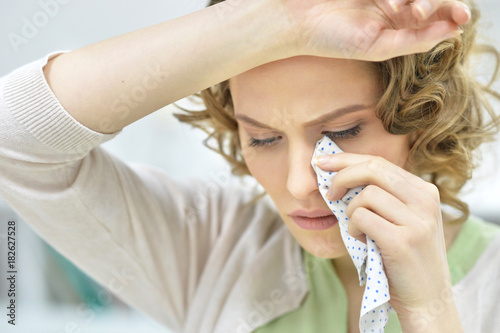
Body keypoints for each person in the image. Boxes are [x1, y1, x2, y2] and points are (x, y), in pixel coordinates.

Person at [1, 0, 499, 332]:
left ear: (424, 116)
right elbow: (14, 138)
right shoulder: (212, 245)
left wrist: (429, 310)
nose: (301, 183)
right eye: (263, 138)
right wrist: (279, 21)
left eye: (344, 132)